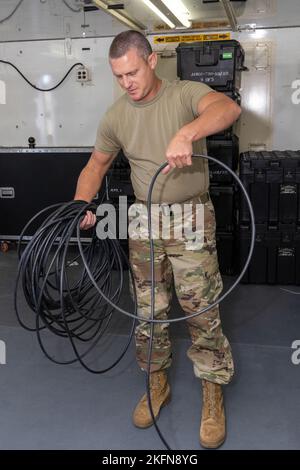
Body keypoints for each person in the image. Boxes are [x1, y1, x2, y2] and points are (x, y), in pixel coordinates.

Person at [74, 30, 241, 448]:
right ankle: (157, 383)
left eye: (132, 71)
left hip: (190, 218)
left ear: (151, 61)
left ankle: (212, 391)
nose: (126, 82)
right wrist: (81, 202)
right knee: (149, 311)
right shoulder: (116, 115)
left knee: (201, 309)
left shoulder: (184, 95)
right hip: (143, 221)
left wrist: (188, 133)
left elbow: (227, 108)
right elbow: (95, 164)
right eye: (118, 76)